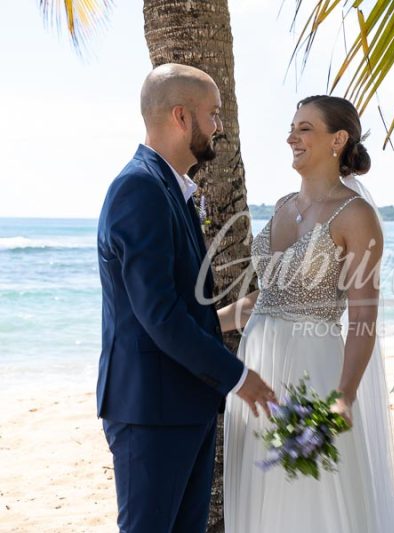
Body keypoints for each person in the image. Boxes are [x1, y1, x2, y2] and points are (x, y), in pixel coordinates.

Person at [96, 63, 275, 533]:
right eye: (212, 115)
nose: (218, 126)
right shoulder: (140, 189)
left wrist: (228, 317)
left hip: (181, 404)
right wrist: (239, 377)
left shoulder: (168, 187)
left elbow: (164, 305)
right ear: (181, 116)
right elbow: (159, 316)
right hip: (150, 410)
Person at [220, 95, 394, 532]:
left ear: (337, 139)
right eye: (292, 127)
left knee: (311, 498)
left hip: (313, 370)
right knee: (261, 495)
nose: (291, 137)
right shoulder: (284, 205)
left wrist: (344, 395)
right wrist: (199, 323)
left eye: (304, 128)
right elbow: (267, 298)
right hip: (255, 370)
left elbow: (363, 319)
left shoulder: (356, 216)